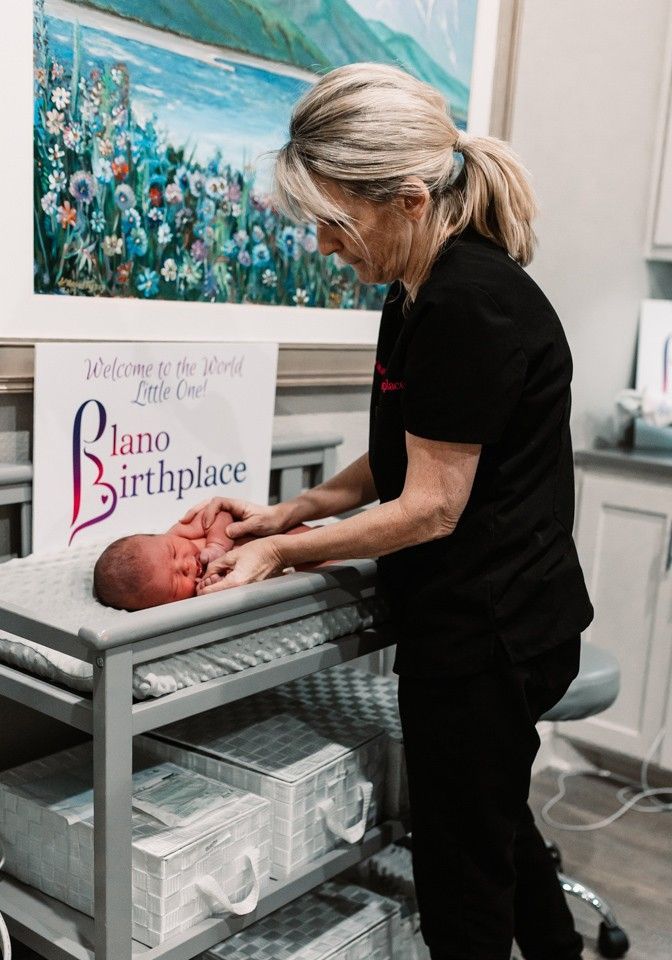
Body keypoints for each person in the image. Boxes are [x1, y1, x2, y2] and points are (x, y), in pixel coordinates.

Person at [188, 63, 594, 960]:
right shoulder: (416, 290)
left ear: (408, 199)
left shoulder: (469, 300)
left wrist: (288, 557)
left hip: (492, 632)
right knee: (492, 821)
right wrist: (293, 512)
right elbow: (413, 441)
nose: (325, 248)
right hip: (492, 616)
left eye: (335, 223)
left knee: (460, 882)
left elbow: (431, 508)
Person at [93, 506, 317, 610]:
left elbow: (221, 514)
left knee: (332, 559)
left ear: (161, 536)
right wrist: (214, 584)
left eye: (173, 552)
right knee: (325, 574)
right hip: (289, 573)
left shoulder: (183, 531)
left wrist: (217, 545)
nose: (187, 565)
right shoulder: (198, 593)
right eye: (176, 582)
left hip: (287, 537)